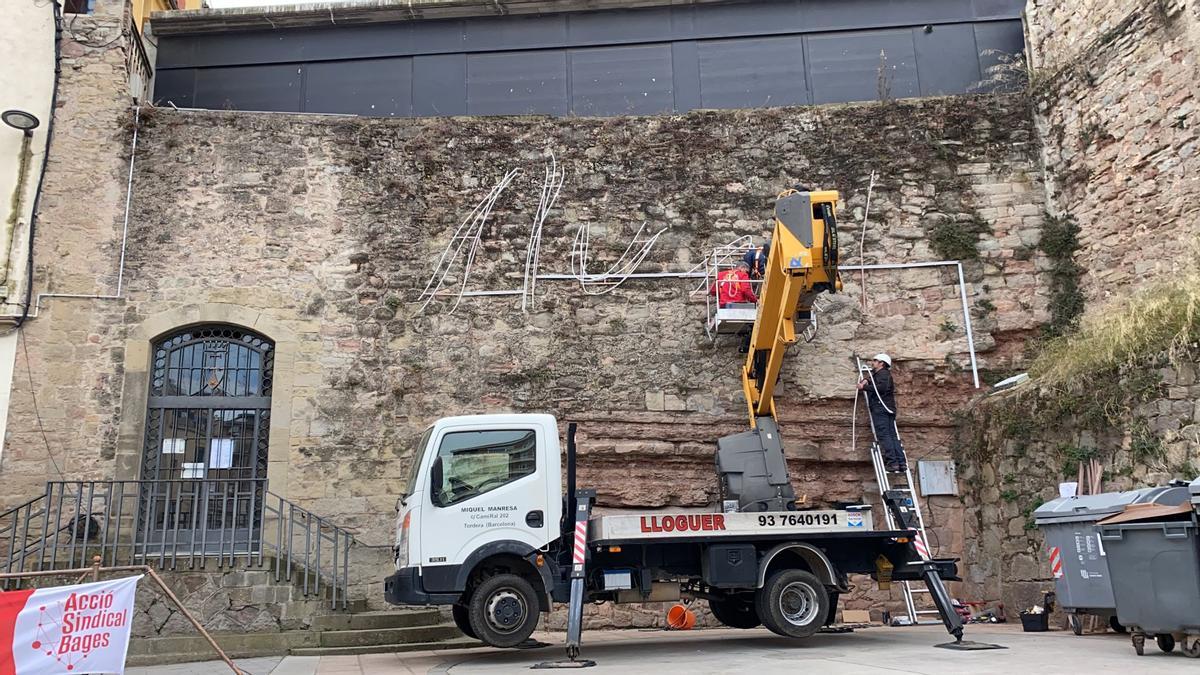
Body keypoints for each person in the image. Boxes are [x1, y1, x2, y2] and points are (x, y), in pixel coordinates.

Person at [857, 353, 906, 472]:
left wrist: (864, 388)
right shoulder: (881, 374)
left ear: (881, 363)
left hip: (881, 408)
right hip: (887, 408)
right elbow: (873, 379)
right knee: (892, 436)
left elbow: (881, 388)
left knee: (885, 435)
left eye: (875, 360)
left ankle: (893, 463)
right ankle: (901, 463)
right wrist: (865, 380)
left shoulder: (883, 374)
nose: (872, 362)